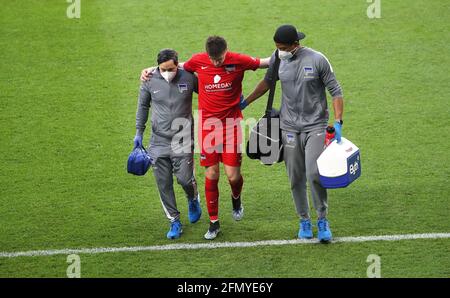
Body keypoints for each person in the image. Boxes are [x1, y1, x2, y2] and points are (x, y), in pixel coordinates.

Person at [141, 36, 270, 240]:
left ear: (227, 51)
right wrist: (150, 69)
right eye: (213, 59)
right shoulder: (199, 60)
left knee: (233, 176)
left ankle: (236, 198)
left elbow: (265, 62)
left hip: (231, 126)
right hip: (208, 128)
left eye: (220, 59)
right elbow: (178, 65)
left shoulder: (238, 60)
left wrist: (287, 55)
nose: (217, 63)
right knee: (211, 175)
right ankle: (213, 222)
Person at [241, 25, 344, 243]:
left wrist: (338, 121)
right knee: (295, 176)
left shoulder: (317, 60)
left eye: (283, 47)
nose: (280, 51)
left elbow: (335, 90)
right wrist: (245, 102)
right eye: (277, 47)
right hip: (288, 127)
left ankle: (322, 220)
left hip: (315, 125)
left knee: (314, 173)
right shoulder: (278, 59)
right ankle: (304, 220)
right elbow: (268, 83)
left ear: (295, 45)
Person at [134, 48, 202, 240]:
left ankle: (193, 198)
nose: (167, 73)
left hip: (183, 138)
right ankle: (174, 221)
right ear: (157, 66)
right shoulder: (149, 79)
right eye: (163, 69)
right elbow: (143, 106)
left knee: (184, 179)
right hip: (158, 141)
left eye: (170, 69)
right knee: (163, 184)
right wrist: (138, 132)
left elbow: (207, 93)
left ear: (177, 64)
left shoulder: (189, 77)